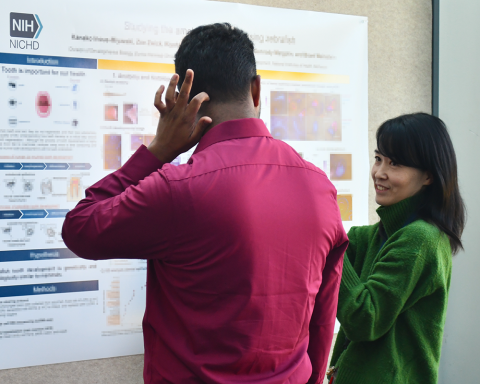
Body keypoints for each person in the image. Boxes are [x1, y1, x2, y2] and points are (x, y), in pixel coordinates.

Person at [62, 23, 348, 384]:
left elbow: (80, 227)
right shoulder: (320, 188)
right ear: (256, 89)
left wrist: (158, 151)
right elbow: (323, 314)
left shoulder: (177, 189)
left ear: (184, 96)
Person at [327, 113, 466, 384]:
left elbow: (364, 318)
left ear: (428, 176)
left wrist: (329, 242)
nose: (380, 172)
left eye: (396, 164)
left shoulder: (421, 238)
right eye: (378, 158)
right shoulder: (372, 237)